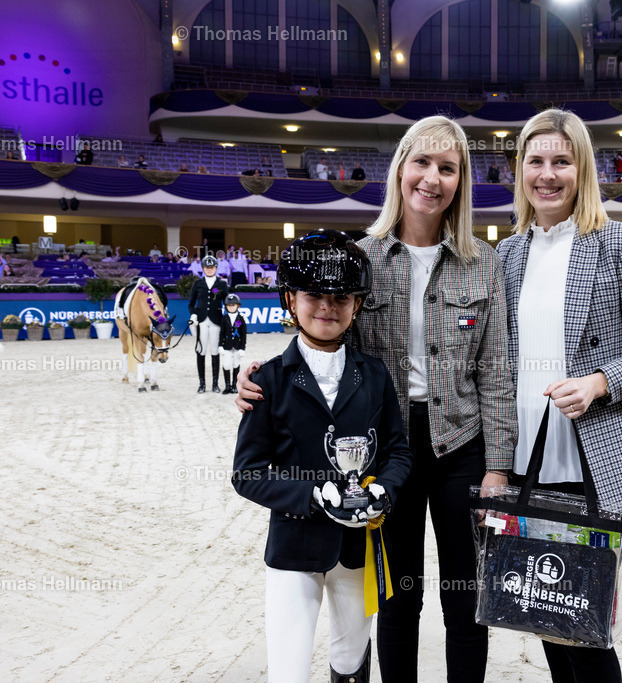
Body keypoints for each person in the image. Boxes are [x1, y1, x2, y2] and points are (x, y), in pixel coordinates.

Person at [238, 115, 515, 683]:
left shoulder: (485, 263)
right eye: (422, 162)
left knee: (467, 599)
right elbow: (325, 340)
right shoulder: (361, 258)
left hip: (462, 446)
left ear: (460, 181)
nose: (432, 178)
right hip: (385, 451)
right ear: (400, 171)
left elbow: (496, 373)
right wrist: (262, 372)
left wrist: (497, 468)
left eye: (448, 168)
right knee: (396, 596)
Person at [496, 108, 622, 683]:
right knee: (544, 612)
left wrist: (599, 382)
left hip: (597, 461)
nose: (547, 174)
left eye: (562, 161)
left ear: (583, 170)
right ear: (520, 170)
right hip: (528, 461)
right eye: (535, 161)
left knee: (586, 625)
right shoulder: (507, 253)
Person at [231, 230, 412, 683]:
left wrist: (384, 491)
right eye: (314, 295)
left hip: (357, 546)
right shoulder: (267, 381)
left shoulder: (375, 374)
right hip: (295, 544)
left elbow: (397, 450)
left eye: (341, 297)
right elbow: (247, 474)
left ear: (357, 305)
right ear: (290, 300)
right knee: (288, 669)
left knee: (350, 660)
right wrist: (312, 494)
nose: (328, 307)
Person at [189, 255, 227, 393]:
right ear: (203, 268)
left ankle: (215, 384)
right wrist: (193, 314)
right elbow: (191, 303)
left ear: (216, 268)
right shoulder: (198, 283)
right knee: (201, 351)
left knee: (215, 351)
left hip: (216, 321)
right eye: (207, 267)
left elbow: (227, 302)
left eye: (212, 267)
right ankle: (202, 383)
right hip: (202, 321)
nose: (209, 270)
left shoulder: (222, 284)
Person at [218, 293, 248, 394]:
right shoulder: (224, 318)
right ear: (226, 306)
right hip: (227, 346)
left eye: (233, 305)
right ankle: (227, 386)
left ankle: (235, 385)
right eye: (229, 305)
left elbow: (243, 334)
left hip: (237, 346)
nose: (231, 307)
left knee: (236, 364)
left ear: (238, 305)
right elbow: (222, 333)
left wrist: (242, 348)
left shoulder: (241, 318)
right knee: (226, 365)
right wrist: (220, 345)